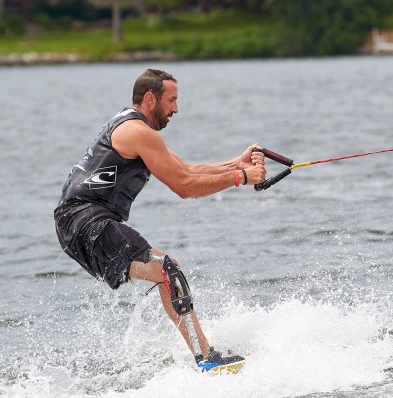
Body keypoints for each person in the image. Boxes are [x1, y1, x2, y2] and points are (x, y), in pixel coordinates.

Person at [54, 69, 266, 361]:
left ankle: (204, 356)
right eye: (172, 100)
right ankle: (205, 359)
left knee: (167, 272)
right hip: (85, 221)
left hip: (79, 222)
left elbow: (187, 170)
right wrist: (241, 177)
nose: (176, 109)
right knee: (169, 271)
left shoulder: (137, 129)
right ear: (150, 98)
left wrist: (235, 163)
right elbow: (184, 186)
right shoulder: (137, 131)